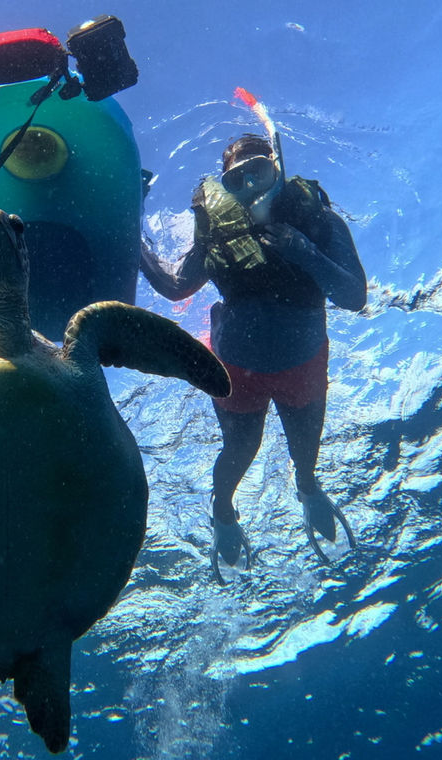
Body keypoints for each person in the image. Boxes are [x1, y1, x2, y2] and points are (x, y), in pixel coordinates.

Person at [139, 134, 367, 576]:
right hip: (236, 370)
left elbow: (354, 296)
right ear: (224, 187)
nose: (249, 187)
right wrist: (131, 228)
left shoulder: (317, 220)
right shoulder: (218, 232)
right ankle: (223, 513)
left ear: (276, 169)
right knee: (240, 449)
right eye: (236, 180)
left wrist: (304, 251)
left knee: (305, 451)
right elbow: (176, 286)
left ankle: (308, 490)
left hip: (302, 364)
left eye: (258, 172)